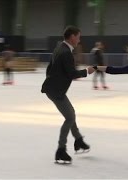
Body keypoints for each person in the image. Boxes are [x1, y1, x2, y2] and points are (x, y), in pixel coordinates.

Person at [41, 26, 95, 164]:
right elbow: (71, 74)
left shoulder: (60, 48)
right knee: (70, 117)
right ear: (72, 37)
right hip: (55, 91)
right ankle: (61, 150)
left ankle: (78, 141)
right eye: (78, 37)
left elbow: (50, 67)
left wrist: (51, 80)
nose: (79, 40)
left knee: (70, 114)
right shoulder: (66, 53)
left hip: (54, 88)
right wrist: (86, 71)